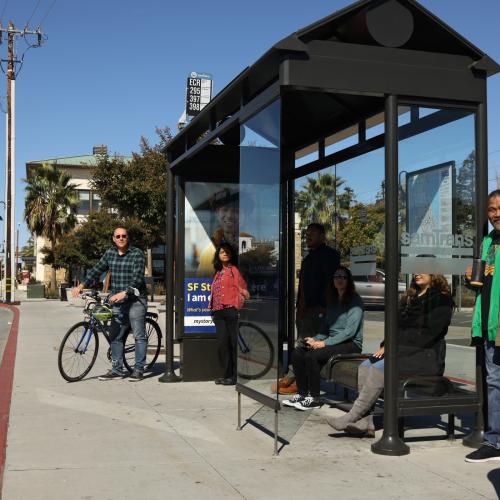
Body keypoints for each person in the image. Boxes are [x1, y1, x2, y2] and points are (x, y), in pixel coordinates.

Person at [326, 272, 453, 437]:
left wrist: (394, 347)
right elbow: (396, 326)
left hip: (425, 356)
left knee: (378, 369)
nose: (417, 273)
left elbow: (428, 335)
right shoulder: (410, 296)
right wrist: (387, 344)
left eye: (423, 269)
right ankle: (365, 423)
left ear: (434, 273)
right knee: (365, 366)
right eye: (414, 269)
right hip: (403, 352)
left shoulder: (441, 299)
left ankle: (352, 416)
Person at [71, 226, 148, 381]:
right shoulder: (110, 253)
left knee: (139, 335)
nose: (121, 238)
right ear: (113, 239)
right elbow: (96, 270)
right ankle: (117, 369)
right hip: (117, 302)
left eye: (124, 236)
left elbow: (138, 279)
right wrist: (81, 285)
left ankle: (138, 369)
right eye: (117, 236)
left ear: (128, 238)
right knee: (115, 336)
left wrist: (125, 292)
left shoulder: (137, 254)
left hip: (135, 300)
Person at [282, 266, 364, 410]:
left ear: (348, 281)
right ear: (332, 280)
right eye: (336, 276)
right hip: (333, 341)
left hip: (350, 343)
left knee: (312, 356)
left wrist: (324, 343)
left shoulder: (355, 300)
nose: (339, 279)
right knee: (297, 352)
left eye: (343, 277)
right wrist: (315, 339)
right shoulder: (332, 300)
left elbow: (349, 332)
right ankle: (302, 394)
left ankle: (314, 398)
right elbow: (326, 328)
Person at [277, 223, 341, 395]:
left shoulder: (330, 256)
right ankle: (295, 377)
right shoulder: (308, 258)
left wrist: (324, 308)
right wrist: (300, 307)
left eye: (312, 234)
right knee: (301, 343)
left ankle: (299, 381)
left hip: (319, 310)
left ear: (323, 236)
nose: (308, 237)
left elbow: (330, 284)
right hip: (305, 310)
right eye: (307, 234)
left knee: (306, 346)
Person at [465, 189, 500, 462]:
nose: (496, 213)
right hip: (491, 324)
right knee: (494, 381)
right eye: (491, 209)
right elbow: (486, 281)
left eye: (499, 208)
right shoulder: (488, 241)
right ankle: (495, 441)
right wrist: (470, 277)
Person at [209, 243, 250, 385]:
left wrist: (238, 302)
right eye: (222, 252)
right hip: (218, 312)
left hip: (231, 310)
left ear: (231, 255)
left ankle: (234, 376)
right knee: (222, 344)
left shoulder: (234, 270)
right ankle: (224, 374)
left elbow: (244, 290)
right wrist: (212, 310)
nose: (224, 254)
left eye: (227, 252)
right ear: (218, 255)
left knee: (233, 344)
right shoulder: (217, 271)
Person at [197, 189, 239, 276]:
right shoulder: (208, 252)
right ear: (217, 213)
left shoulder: (252, 247)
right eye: (225, 210)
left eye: (235, 211)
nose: (229, 215)